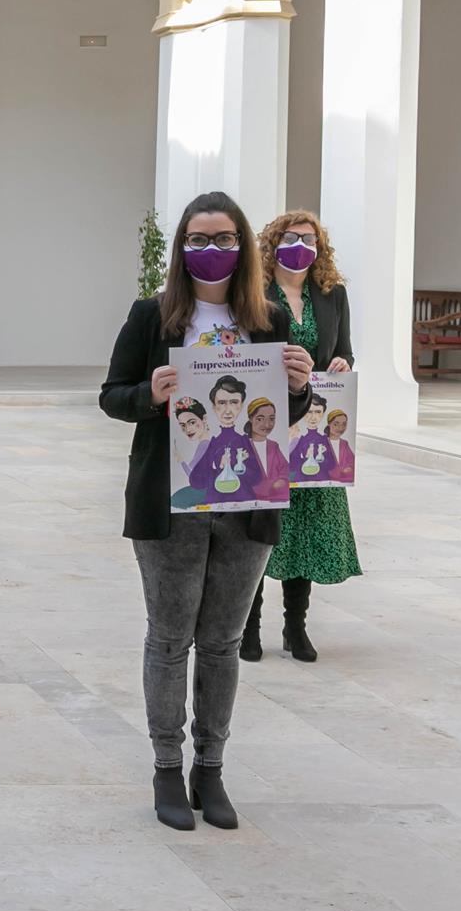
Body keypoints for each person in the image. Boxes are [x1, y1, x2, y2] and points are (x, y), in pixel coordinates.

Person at [101, 191, 311, 832]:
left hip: (248, 505)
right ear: (181, 248)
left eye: (223, 240)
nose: (210, 251)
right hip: (174, 504)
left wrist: (299, 389)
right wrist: (151, 392)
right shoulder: (153, 317)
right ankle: (167, 767)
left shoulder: (270, 319)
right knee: (169, 639)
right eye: (198, 239)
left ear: (244, 246)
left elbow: (283, 415)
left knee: (220, 641)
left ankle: (209, 769)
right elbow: (112, 396)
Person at [242, 210, 360, 664]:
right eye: (291, 237)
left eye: (309, 239)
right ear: (273, 243)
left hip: (313, 425)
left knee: (306, 529)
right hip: (268, 422)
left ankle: (295, 626)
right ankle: (247, 626)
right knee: (258, 525)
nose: (300, 246)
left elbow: (344, 349)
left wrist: (343, 363)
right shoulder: (254, 292)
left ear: (319, 247)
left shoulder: (332, 294)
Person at [244, 398, 290, 505]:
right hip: (251, 500)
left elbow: (285, 467)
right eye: (260, 419)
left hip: (273, 500)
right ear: (251, 418)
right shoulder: (242, 446)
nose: (267, 425)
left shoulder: (273, 446)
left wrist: (281, 480)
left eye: (271, 419)